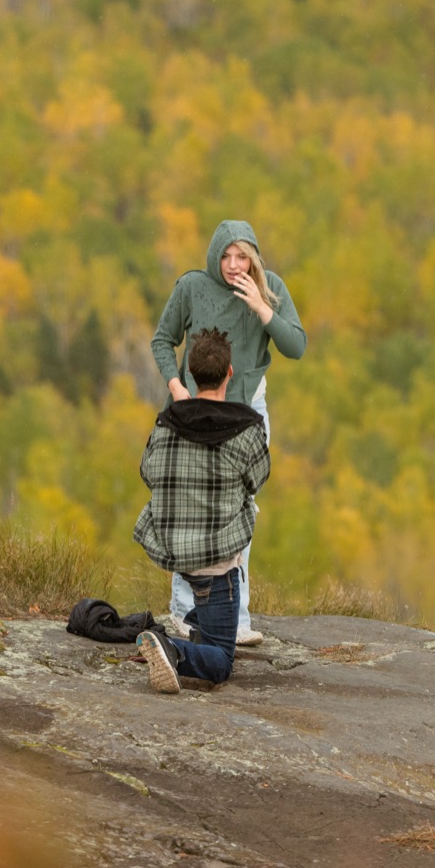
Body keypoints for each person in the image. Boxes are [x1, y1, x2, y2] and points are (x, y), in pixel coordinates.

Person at [151, 220, 305, 646]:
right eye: (226, 256)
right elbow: (162, 340)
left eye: (242, 257)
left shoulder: (269, 286)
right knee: (189, 503)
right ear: (214, 255)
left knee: (242, 509)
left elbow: (296, 346)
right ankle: (184, 612)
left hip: (245, 412)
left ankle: (234, 619)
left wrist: (262, 307)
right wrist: (176, 387)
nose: (233, 265)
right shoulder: (193, 287)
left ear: (254, 257)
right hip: (193, 408)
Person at [132, 328, 271, 693]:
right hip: (217, 563)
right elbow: (258, 478)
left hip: (176, 550)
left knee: (207, 615)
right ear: (229, 373)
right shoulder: (247, 427)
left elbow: (148, 472)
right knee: (222, 661)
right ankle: (171, 649)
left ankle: (188, 631)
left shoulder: (166, 423)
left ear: (190, 374)